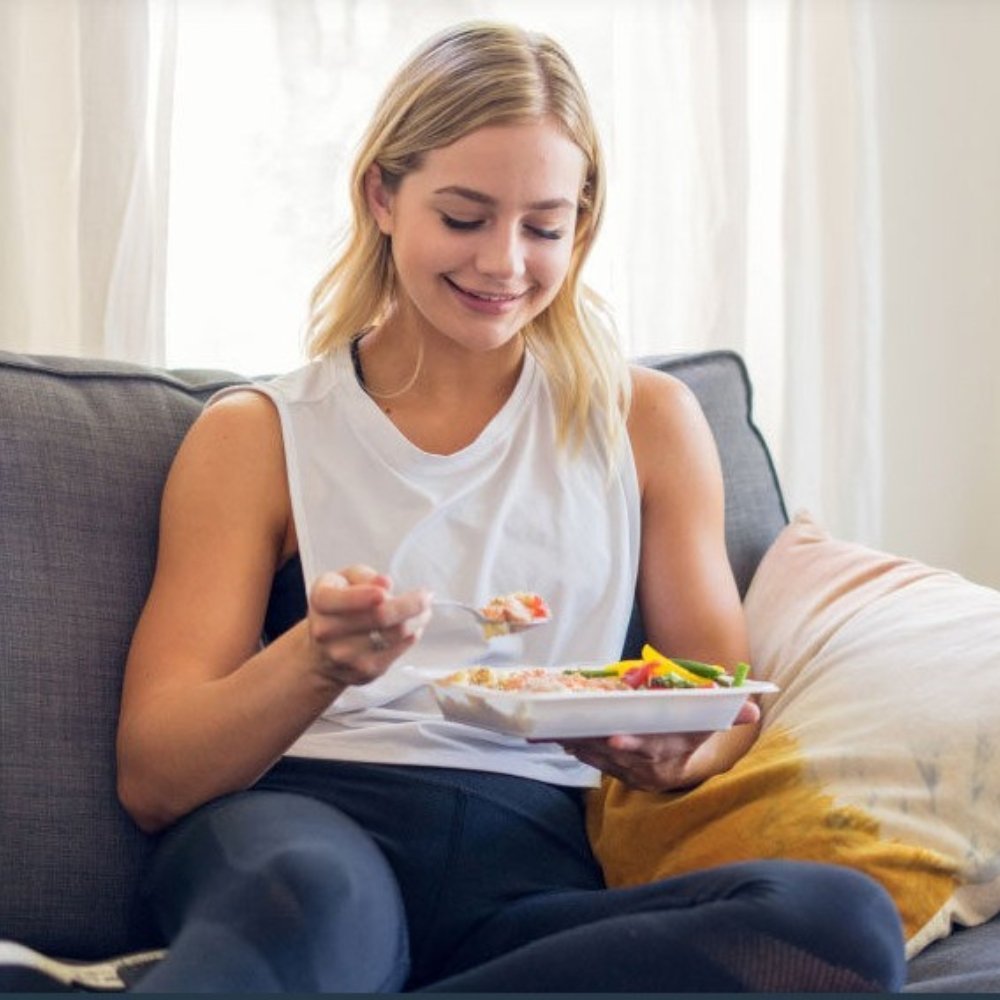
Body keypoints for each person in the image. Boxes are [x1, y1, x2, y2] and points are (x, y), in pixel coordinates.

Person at [113, 20, 906, 993]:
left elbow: (720, 695)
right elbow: (154, 776)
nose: (503, 263)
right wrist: (313, 658)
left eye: (542, 226)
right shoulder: (259, 432)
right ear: (382, 197)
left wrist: (675, 751)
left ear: (581, 225)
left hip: (525, 873)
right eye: (463, 216)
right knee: (320, 907)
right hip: (303, 828)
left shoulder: (647, 422)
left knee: (838, 926)